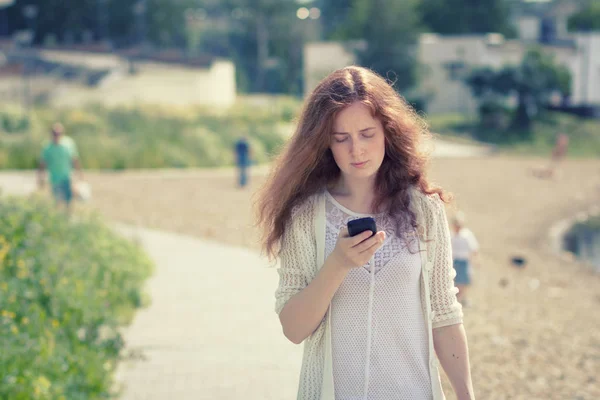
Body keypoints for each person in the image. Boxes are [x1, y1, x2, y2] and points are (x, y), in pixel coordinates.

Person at [256, 67, 474, 400]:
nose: (356, 149)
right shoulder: (306, 216)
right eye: (341, 138)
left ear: (388, 131)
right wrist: (337, 264)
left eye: (367, 134)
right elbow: (294, 329)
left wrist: (465, 394)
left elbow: (444, 314)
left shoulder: (424, 209)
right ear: (324, 143)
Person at [37, 122, 84, 214]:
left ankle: (68, 218)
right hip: (54, 179)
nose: (56, 135)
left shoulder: (68, 144)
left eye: (58, 133)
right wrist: (40, 178)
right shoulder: (47, 147)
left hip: (67, 178)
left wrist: (80, 173)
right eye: (54, 133)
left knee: (69, 199)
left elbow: (75, 159)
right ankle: (58, 220)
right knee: (57, 201)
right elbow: (42, 164)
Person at [450, 211, 479, 307]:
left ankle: (462, 298)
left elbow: (474, 248)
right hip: (454, 260)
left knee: (465, 280)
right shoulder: (451, 236)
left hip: (464, 260)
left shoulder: (466, 235)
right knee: (455, 280)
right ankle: (458, 299)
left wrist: (476, 259)